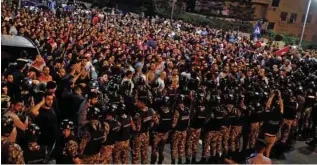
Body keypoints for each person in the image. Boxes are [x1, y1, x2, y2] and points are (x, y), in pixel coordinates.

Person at [31, 92, 58, 156]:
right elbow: (32, 111)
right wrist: (42, 102)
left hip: (52, 140)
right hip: (43, 142)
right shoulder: (40, 110)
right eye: (48, 99)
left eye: (52, 99)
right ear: (44, 100)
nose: (50, 101)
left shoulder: (52, 108)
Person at [260, 90, 284, 158]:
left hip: (266, 135)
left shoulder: (269, 114)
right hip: (273, 137)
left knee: (261, 151)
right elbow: (282, 107)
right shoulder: (280, 115)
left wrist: (272, 96)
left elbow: (267, 105)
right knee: (268, 150)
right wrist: (279, 97)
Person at [132, 97, 155, 164]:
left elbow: (136, 127)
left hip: (139, 135)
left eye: (138, 102)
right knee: (145, 153)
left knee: (136, 154)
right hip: (146, 134)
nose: (137, 103)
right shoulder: (151, 111)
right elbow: (154, 121)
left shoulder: (138, 113)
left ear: (143, 103)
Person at [151, 96, 173, 164]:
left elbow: (155, 122)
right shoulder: (170, 111)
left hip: (158, 134)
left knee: (155, 151)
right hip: (164, 134)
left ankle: (154, 163)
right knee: (160, 151)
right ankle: (158, 162)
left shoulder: (158, 113)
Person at [171, 95, 190, 164]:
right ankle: (180, 161)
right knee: (181, 146)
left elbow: (174, 124)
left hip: (177, 132)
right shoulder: (187, 110)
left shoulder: (177, 111)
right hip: (184, 132)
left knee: (174, 147)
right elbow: (188, 121)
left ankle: (173, 162)